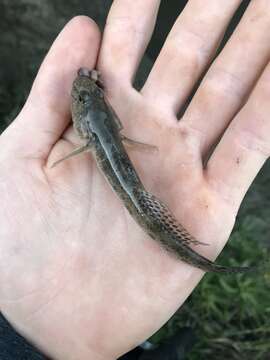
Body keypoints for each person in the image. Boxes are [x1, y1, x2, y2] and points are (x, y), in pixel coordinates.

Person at [0, 0, 270, 359]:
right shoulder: (105, 131)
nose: (82, 95)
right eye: (84, 98)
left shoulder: (94, 133)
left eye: (87, 97)